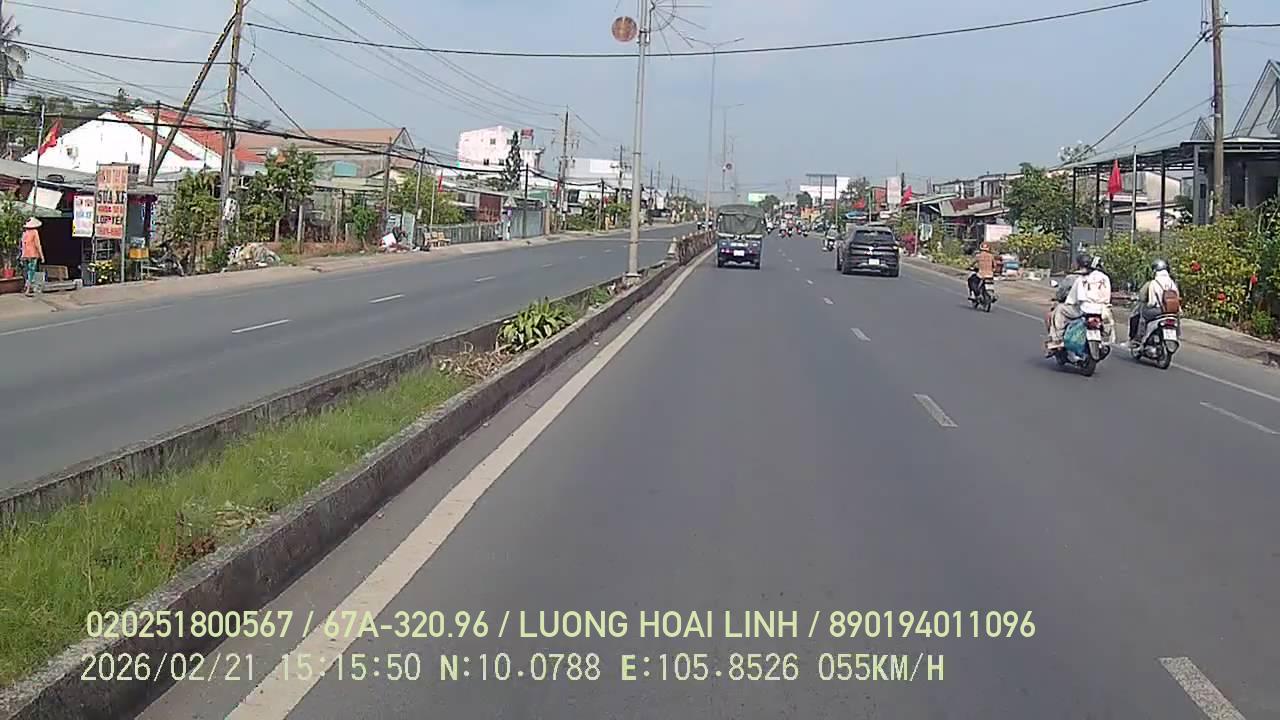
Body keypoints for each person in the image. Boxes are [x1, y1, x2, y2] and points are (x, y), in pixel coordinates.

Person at [1047, 253, 1114, 353]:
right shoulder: (1105, 278)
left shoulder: (1080, 278)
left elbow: (1072, 299)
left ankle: (1058, 339)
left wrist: (1068, 303)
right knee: (1108, 322)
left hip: (1084, 309)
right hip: (1103, 309)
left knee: (1060, 309)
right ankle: (1105, 340)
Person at [1129, 258, 1180, 342]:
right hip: (1171, 311)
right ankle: (1177, 335)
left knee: (1141, 313)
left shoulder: (1154, 283)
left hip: (1158, 310)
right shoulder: (1172, 283)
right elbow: (1177, 296)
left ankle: (1139, 337)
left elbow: (1151, 302)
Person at [19, 217, 43, 297]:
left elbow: (23, 245)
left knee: (27, 272)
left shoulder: (24, 233)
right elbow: (37, 244)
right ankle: (28, 289)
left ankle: (27, 287)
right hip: (33, 254)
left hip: (25, 255)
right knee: (31, 272)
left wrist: (22, 255)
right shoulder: (35, 232)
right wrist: (42, 256)